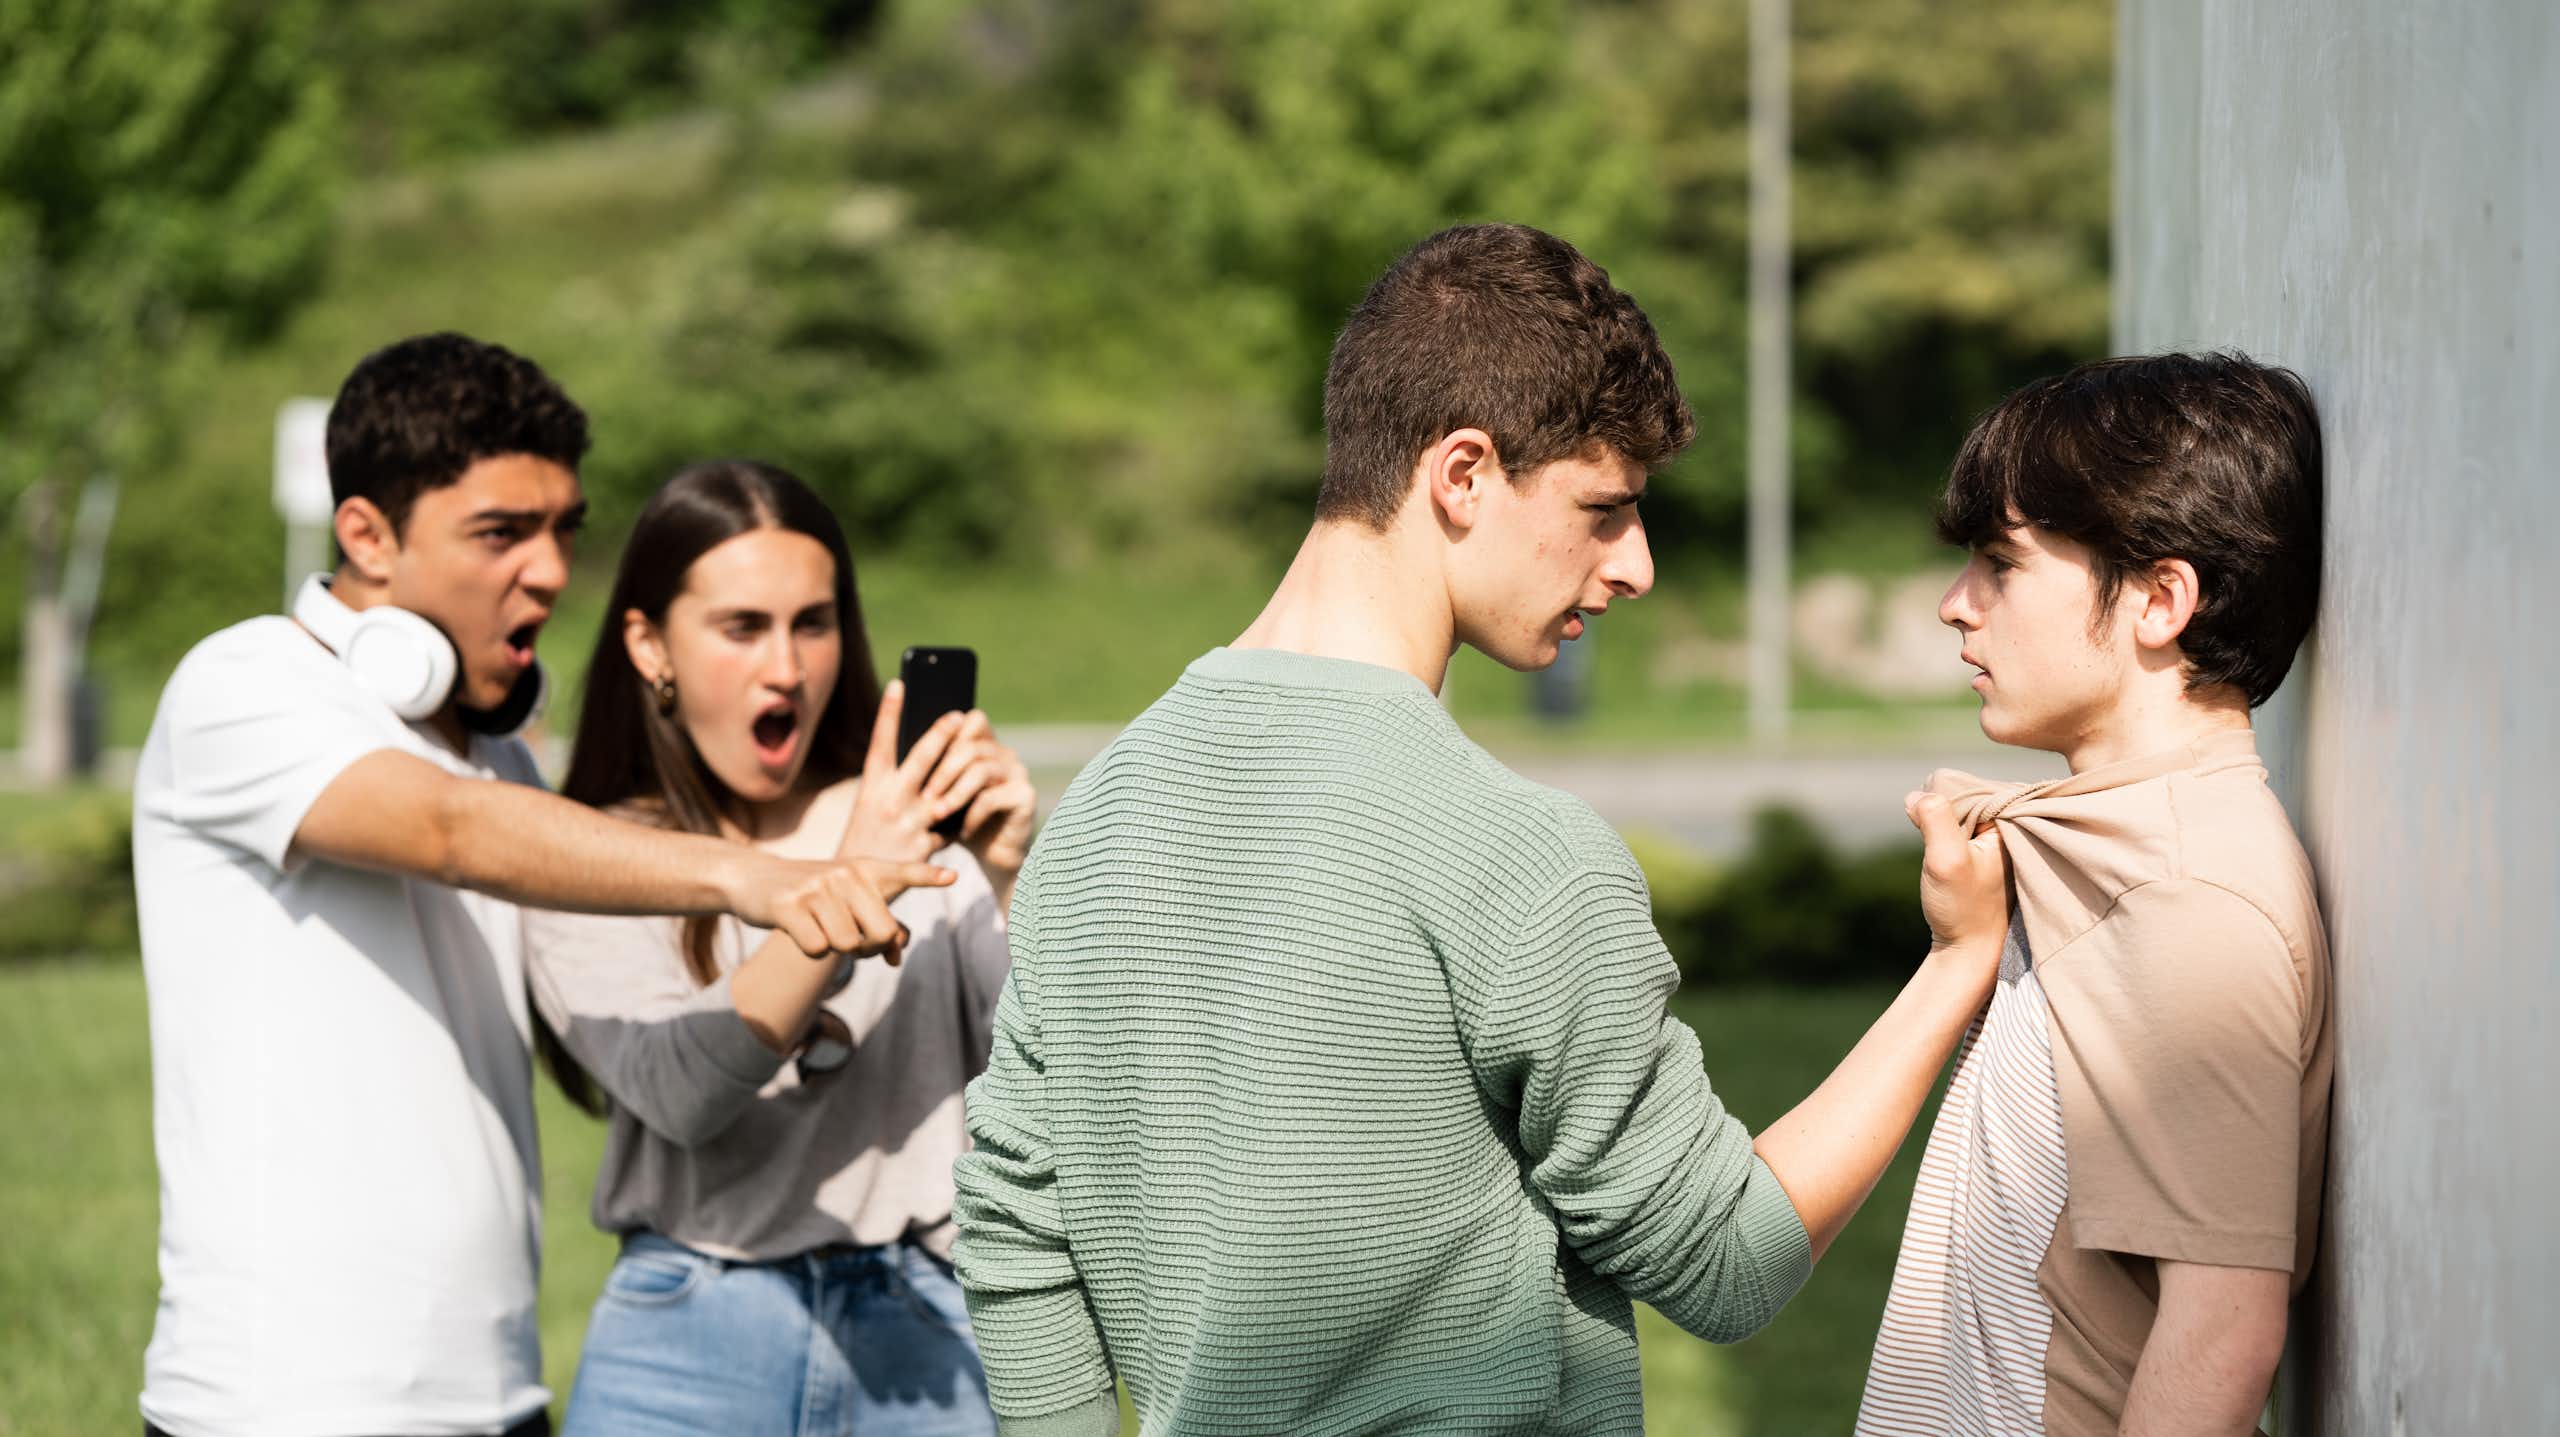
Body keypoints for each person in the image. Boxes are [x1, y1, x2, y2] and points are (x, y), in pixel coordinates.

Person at [951, 222, 2012, 1437]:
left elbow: (1013, 1225)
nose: (1638, 566)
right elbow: (1726, 1260)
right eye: (1603, 508)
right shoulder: (1519, 857)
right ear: (1461, 475)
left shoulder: (1097, 811)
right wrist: (1955, 966)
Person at [131, 337, 941, 1437]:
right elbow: (449, 828)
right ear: (366, 534)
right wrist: (756, 878)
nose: (552, 571)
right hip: (287, 1405)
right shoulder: (248, 685)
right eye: (501, 533)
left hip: (498, 1399)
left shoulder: (499, 759)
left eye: (564, 528)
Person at [1852, 352, 2332, 1437]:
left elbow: (2222, 1328)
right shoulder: (2111, 847)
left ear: (2160, 599)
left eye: (2000, 564)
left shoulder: (2188, 894)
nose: (1952, 605)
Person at [522, 460, 1035, 1437]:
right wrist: (843, 891)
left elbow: (1049, 1077)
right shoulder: (595, 857)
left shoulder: (921, 823)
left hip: (927, 1329)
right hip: (687, 1335)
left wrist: (1012, 877)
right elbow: (681, 1095)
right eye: (742, 628)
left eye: (813, 623)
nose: (787, 670)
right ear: (648, 644)